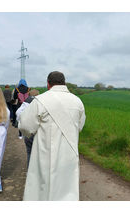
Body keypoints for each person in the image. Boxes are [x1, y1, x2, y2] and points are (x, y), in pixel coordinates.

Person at [18, 71, 86, 201]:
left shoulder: (40, 100)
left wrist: (29, 135)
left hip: (45, 151)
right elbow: (80, 125)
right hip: (69, 152)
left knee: (44, 186)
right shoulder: (77, 101)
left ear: (48, 84)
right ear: (64, 83)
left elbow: (25, 126)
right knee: (67, 187)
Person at [16, 89, 39, 168]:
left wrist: (22, 122)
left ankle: (30, 170)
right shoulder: (39, 103)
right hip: (37, 131)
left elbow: (18, 113)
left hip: (28, 132)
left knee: (29, 152)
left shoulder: (25, 103)